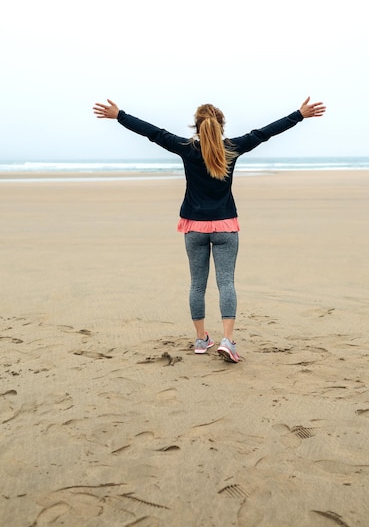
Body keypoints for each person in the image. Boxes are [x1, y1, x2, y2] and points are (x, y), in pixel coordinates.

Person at [93, 97, 326, 363]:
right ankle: (227, 340)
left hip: (194, 226)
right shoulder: (233, 147)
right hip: (225, 224)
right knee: (226, 282)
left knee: (197, 285)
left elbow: (153, 133)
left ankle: (202, 339)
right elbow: (264, 133)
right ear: (221, 125)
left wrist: (119, 115)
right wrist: (299, 114)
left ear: (196, 126)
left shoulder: (187, 148)